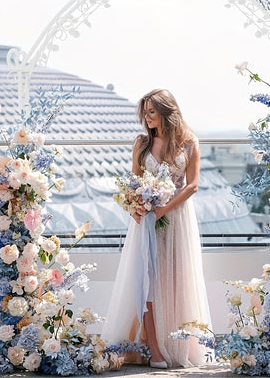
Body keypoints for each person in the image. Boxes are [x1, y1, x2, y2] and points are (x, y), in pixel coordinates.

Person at [101, 89, 211, 368]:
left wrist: (164, 208)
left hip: (178, 220)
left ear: (166, 111)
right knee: (146, 281)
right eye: (145, 113)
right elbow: (134, 184)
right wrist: (137, 209)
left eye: (152, 112)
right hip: (147, 221)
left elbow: (192, 185)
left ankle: (179, 344)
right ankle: (154, 349)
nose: (147, 118)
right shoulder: (141, 143)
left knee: (176, 280)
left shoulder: (189, 142)